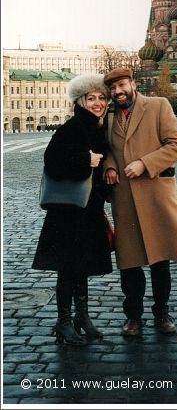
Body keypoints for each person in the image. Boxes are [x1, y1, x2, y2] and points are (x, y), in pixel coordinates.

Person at [103, 68, 177, 336]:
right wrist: (109, 165)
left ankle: (162, 313)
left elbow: (176, 145)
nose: (117, 91)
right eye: (113, 88)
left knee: (159, 260)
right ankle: (133, 316)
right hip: (124, 198)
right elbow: (107, 148)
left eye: (121, 85)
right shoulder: (109, 114)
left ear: (132, 84)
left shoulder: (158, 106)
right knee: (129, 263)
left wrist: (145, 163)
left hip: (155, 193)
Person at [32, 74, 113, 345]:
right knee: (68, 267)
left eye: (102, 97)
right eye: (92, 98)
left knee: (82, 265)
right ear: (80, 101)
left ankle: (82, 318)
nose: (98, 102)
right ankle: (64, 322)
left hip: (88, 209)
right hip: (68, 213)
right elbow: (52, 162)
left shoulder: (96, 127)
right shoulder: (74, 126)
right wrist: (84, 160)